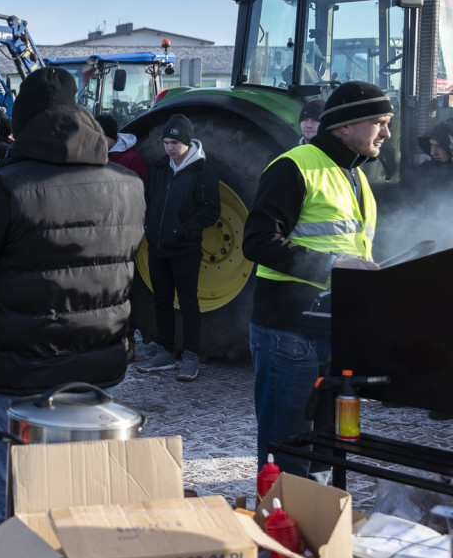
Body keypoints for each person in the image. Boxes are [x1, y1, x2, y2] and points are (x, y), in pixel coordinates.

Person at [0, 66, 145, 523]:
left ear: (23, 121)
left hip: (19, 368)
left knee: (17, 498)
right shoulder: (129, 187)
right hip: (98, 365)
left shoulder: (5, 187)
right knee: (83, 492)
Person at [243, 80, 391, 481]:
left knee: (326, 453)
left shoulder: (356, 176)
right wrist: (330, 266)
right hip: (289, 334)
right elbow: (257, 242)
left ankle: (318, 532)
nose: (387, 133)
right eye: (379, 122)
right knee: (287, 451)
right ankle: (282, 535)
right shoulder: (294, 165)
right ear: (344, 126)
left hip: (333, 333)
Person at [135, 115, 220, 381]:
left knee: (188, 302)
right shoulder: (159, 168)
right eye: (166, 142)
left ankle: (191, 356)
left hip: (185, 248)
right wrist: (150, 228)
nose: (170, 148)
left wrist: (181, 231)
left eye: (175, 142)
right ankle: (165, 351)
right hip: (158, 246)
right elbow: (148, 200)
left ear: (187, 142)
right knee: (161, 300)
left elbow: (210, 211)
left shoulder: (203, 171)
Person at [97, 114, 148, 182]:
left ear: (110, 136)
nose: (97, 141)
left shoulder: (132, 158)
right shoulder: (93, 156)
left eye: (101, 137)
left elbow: (139, 187)